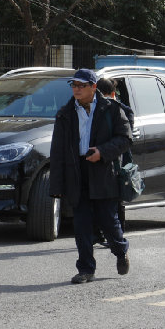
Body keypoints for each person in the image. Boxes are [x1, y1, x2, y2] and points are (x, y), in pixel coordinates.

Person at [49, 69, 132, 284]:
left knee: (108, 221)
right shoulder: (64, 113)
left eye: (81, 85)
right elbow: (57, 151)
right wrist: (56, 184)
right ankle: (85, 268)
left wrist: (102, 152)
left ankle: (121, 250)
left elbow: (125, 138)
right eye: (74, 85)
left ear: (93, 87)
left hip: (103, 171)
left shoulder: (111, 109)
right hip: (76, 172)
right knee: (82, 223)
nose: (76, 89)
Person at [95, 77, 134, 236]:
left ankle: (118, 234)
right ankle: (99, 233)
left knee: (117, 200)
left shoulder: (123, 110)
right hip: (101, 158)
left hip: (119, 160)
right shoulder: (93, 109)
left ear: (112, 94)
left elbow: (125, 137)